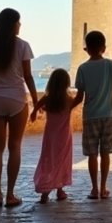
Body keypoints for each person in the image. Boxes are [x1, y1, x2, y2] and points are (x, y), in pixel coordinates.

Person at [0, 8, 39, 208]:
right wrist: (36, 102)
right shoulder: (23, 46)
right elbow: (28, 77)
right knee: (15, 146)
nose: (20, 25)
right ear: (12, 24)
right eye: (18, 22)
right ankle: (11, 194)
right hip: (17, 100)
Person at [72, 31, 112, 200]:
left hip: (90, 117)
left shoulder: (82, 69)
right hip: (109, 116)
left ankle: (94, 189)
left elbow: (79, 97)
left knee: (92, 155)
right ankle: (104, 187)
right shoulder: (110, 65)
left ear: (86, 49)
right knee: (105, 154)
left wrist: (66, 108)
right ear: (104, 48)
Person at [30, 68, 76, 203]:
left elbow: (37, 106)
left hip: (50, 137)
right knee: (62, 161)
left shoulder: (48, 98)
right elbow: (80, 99)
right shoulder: (68, 100)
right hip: (65, 136)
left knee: (48, 160)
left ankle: (45, 192)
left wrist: (34, 113)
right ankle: (60, 191)